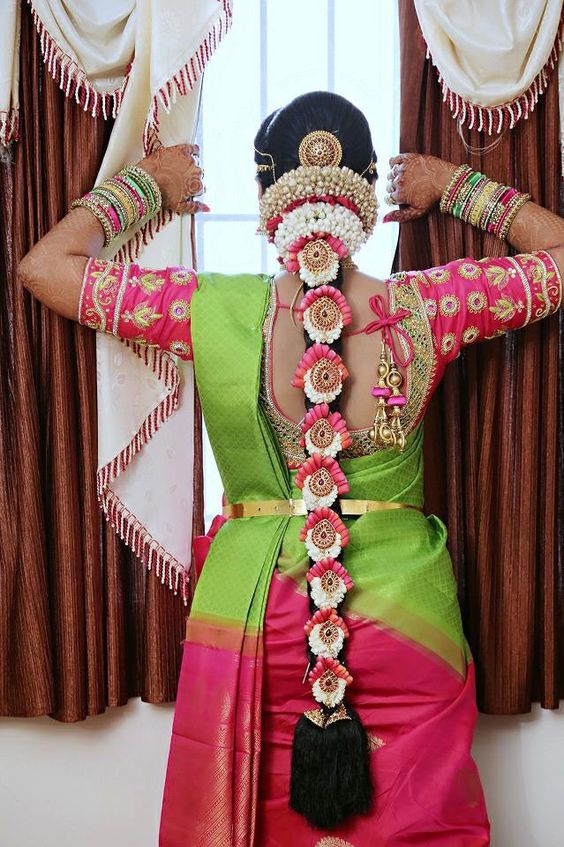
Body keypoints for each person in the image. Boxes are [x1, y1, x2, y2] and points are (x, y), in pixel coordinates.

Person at [18, 91, 564, 847]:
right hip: (405, 618)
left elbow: (45, 266)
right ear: (368, 191)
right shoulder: (432, 305)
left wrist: (148, 184)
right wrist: (452, 185)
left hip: (255, 623)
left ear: (268, 200)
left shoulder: (206, 309)